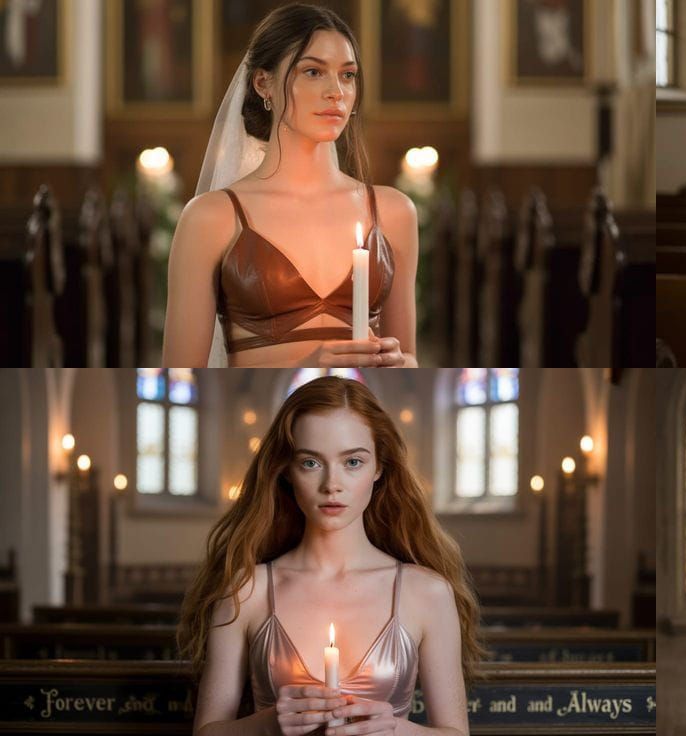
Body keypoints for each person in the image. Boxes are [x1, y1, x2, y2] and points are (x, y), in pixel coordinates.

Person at [180, 376, 480, 735]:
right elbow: (205, 732)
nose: (331, 485)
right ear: (286, 471)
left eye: (353, 462)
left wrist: (397, 730)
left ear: (379, 468)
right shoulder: (246, 591)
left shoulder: (428, 593)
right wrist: (267, 724)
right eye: (311, 463)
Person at [163, 4, 418, 368]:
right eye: (313, 71)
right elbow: (180, 374)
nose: (336, 92)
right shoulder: (211, 217)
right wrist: (304, 371)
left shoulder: (393, 212)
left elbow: (408, 360)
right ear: (263, 82)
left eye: (348, 76)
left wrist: (403, 364)